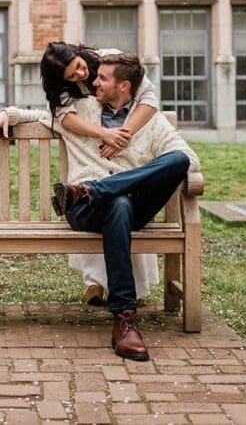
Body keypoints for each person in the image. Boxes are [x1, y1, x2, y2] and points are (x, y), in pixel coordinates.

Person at [0, 52, 199, 361]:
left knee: (175, 162)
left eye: (102, 78)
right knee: (118, 205)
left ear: (124, 86)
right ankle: (125, 320)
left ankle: (93, 190)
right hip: (86, 212)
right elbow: (33, 114)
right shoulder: (79, 113)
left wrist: (120, 175)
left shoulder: (151, 123)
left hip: (114, 202)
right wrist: (6, 113)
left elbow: (190, 160)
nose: (92, 81)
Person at [37, 42, 162, 307]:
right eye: (72, 76)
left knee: (117, 198)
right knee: (102, 192)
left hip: (124, 145)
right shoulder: (64, 91)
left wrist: (122, 135)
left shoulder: (109, 59)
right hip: (92, 159)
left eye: (80, 67)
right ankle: (96, 283)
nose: (81, 76)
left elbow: (149, 100)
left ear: (80, 55)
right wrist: (104, 134)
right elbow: (63, 117)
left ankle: (128, 291)